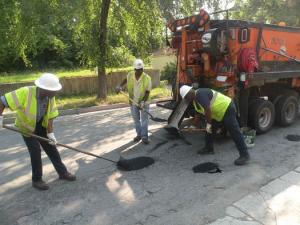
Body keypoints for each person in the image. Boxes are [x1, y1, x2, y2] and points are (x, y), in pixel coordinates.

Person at [0, 73, 76, 190]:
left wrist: (51, 134)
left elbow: (50, 116)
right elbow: (2, 101)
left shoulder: (50, 97)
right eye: (53, 90)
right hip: (27, 127)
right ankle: (37, 180)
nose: (56, 92)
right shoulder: (25, 92)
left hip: (41, 125)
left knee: (52, 148)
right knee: (35, 151)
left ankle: (62, 172)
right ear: (45, 89)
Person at [179, 85, 250, 165]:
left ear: (190, 92)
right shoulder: (195, 101)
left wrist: (209, 124)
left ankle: (244, 155)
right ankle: (209, 148)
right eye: (185, 98)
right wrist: (193, 126)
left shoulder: (200, 93)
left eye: (186, 97)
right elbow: (198, 114)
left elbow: (207, 109)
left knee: (234, 131)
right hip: (217, 113)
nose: (187, 99)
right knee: (209, 130)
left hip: (227, 108)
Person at [116, 59, 152, 144]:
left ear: (143, 68)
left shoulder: (147, 78)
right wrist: (119, 86)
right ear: (134, 69)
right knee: (136, 119)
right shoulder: (130, 75)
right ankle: (139, 135)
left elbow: (147, 92)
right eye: (138, 70)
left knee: (144, 120)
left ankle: (144, 137)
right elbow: (125, 80)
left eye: (141, 69)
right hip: (133, 101)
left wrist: (143, 102)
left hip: (145, 101)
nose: (140, 71)